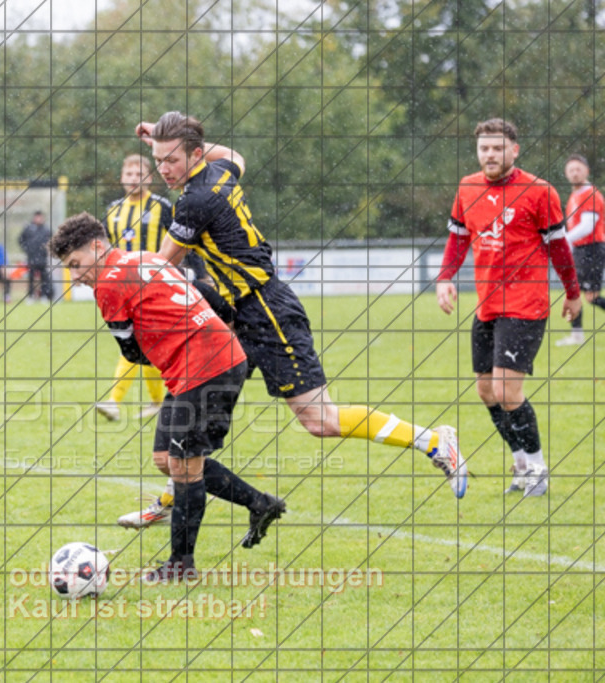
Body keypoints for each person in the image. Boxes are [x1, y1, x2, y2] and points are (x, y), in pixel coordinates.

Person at [119, 111, 465, 529]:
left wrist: (111, 275)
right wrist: (164, 140)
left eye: (170, 160)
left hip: (265, 311)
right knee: (191, 397)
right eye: (156, 160)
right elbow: (233, 152)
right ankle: (175, 494)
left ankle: (433, 441)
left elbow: (158, 268)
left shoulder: (197, 200)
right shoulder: (218, 171)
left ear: (194, 155)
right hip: (230, 312)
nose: (162, 170)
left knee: (320, 420)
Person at [49, 212, 286, 582]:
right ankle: (260, 503)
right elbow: (205, 292)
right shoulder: (145, 257)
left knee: (185, 466)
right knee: (166, 459)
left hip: (205, 367)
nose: (75, 275)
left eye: (76, 264)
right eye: (69, 268)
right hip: (204, 363)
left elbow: (130, 353)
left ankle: (180, 565)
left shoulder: (108, 285)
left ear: (97, 247)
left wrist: (164, 338)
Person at [437, 118, 582, 498]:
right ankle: (520, 465)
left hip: (526, 303)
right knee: (486, 390)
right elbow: (457, 238)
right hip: (487, 305)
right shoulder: (467, 187)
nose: (490, 154)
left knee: (506, 388)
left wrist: (572, 291)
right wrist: (445, 277)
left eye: (497, 148)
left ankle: (538, 469)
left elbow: (559, 248)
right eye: (484, 148)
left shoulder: (539, 191)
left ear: (513, 150)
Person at [95, 154, 172, 423]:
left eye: (139, 174)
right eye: (128, 175)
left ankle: (114, 401)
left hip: (154, 284)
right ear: (121, 178)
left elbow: (183, 240)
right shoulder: (113, 210)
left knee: (135, 340)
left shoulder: (162, 207)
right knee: (144, 343)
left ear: (149, 178)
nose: (133, 179)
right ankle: (158, 402)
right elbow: (105, 248)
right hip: (123, 287)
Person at [555, 153, 605, 346]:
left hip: (591, 249)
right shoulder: (575, 195)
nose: (574, 173)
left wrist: (564, 239)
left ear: (587, 171)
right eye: (571, 170)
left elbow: (588, 225)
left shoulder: (589, 194)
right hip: (580, 249)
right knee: (574, 291)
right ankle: (576, 335)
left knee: (591, 296)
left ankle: (577, 335)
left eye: (578, 169)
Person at [19, 210, 53, 303]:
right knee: (31, 278)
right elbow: (20, 240)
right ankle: (30, 296)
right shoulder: (28, 229)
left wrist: (47, 250)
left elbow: (52, 241)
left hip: (43, 259)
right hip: (31, 258)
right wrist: (27, 249)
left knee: (44, 278)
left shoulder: (47, 230)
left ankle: (44, 296)